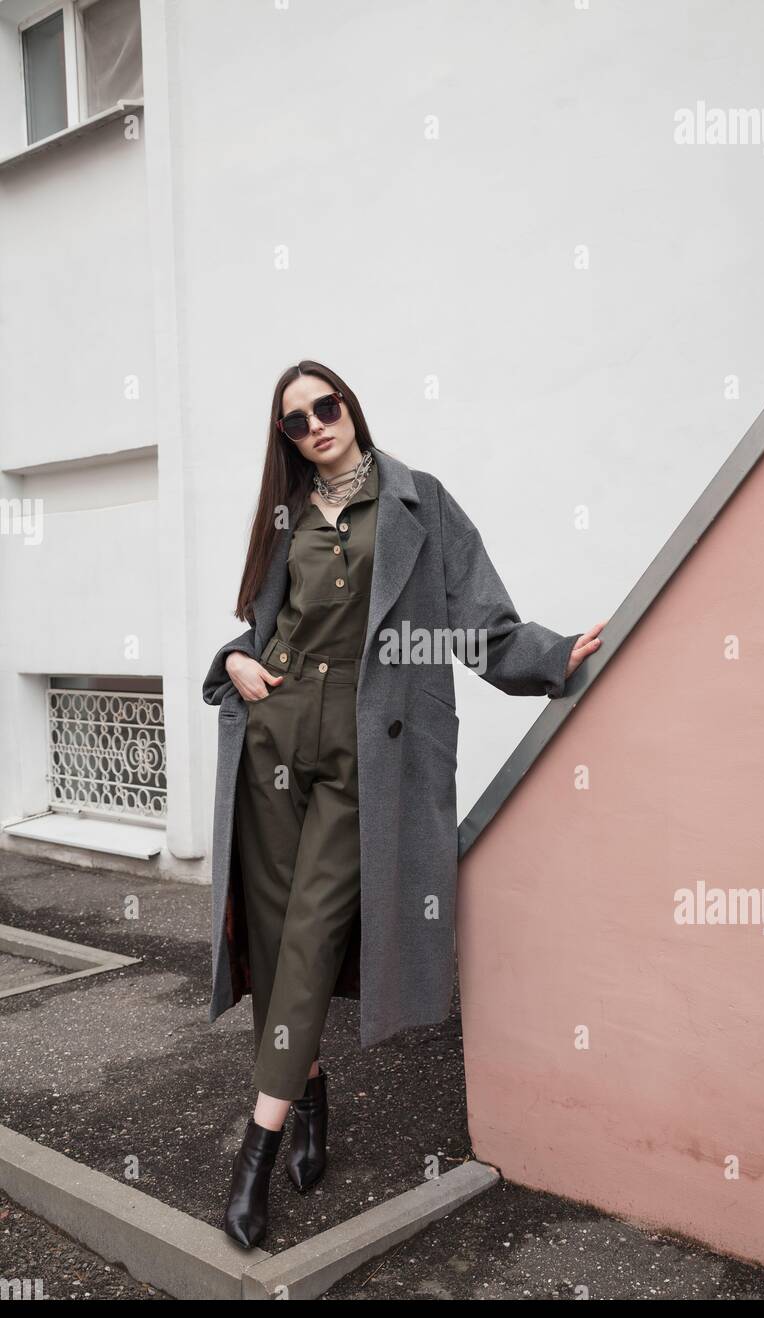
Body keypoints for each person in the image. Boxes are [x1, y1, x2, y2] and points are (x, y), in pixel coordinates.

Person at [206, 360, 605, 1248]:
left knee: (309, 936)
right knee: (274, 946)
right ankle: (308, 1094)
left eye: (325, 406)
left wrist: (550, 656)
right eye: (296, 420)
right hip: (274, 742)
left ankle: (255, 1153)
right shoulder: (285, 519)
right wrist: (231, 662)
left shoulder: (418, 502)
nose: (314, 424)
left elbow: (477, 621)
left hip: (366, 757)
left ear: (350, 405)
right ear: (286, 439)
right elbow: (261, 630)